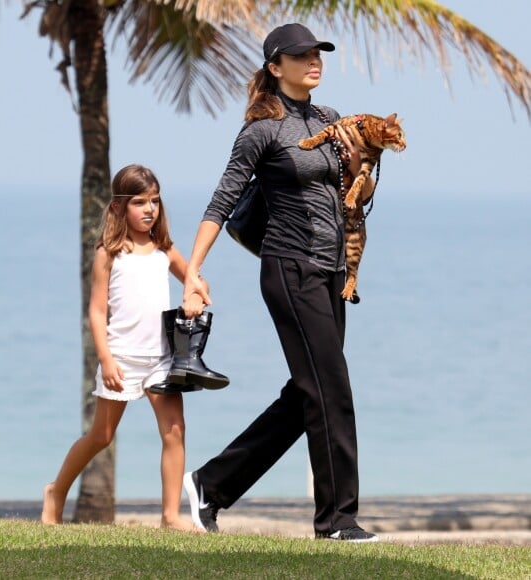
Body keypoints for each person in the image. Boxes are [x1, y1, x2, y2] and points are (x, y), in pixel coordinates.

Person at [180, 23, 379, 542]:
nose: (315, 61)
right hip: (289, 268)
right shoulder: (261, 129)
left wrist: (366, 159)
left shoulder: (331, 120)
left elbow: (351, 190)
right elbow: (221, 202)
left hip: (333, 274)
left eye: (318, 53)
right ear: (275, 67)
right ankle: (337, 522)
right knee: (330, 390)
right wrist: (192, 273)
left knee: (309, 391)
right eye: (301, 55)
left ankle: (211, 484)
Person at [41, 164, 207, 529]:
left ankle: (170, 516)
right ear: (118, 207)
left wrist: (193, 296)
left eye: (155, 201)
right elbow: (97, 312)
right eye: (139, 202)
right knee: (101, 435)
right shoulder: (109, 253)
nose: (150, 209)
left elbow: (196, 282)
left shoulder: (165, 249)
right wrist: (106, 359)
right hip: (122, 358)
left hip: (162, 359)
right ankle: (55, 492)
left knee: (175, 431)